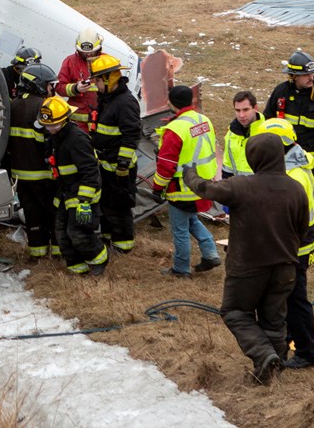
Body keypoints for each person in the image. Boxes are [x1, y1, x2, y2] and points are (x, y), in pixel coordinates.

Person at [183, 132, 308, 385]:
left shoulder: (242, 186)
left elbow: (207, 189)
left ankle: (264, 356)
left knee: (235, 312)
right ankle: (273, 367)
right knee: (274, 319)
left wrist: (189, 174)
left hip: (248, 266)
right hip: (285, 266)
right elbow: (302, 228)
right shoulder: (296, 189)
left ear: (253, 158)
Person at [250, 118, 314, 370]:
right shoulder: (291, 166)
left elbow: (288, 220)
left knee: (295, 300)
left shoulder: (293, 175)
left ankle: (306, 352)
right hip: (293, 245)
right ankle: (288, 340)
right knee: (284, 298)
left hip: (295, 248)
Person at [264, 50, 314, 225]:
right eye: (305, 74)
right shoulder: (280, 93)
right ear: (293, 76)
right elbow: (268, 119)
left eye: (312, 73)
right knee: (283, 194)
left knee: (311, 195)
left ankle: (312, 229)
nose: (310, 77)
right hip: (284, 159)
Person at [152, 85, 221, 278]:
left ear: (170, 102)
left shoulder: (175, 129)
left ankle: (180, 269)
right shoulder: (203, 120)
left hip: (182, 188)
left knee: (180, 229)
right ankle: (210, 253)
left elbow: (166, 166)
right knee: (191, 220)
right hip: (204, 184)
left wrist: (157, 189)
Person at [39, 96, 107, 277]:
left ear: (65, 119)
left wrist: (85, 201)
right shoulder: (55, 137)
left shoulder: (76, 139)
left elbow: (91, 171)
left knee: (78, 232)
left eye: (54, 125)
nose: (50, 129)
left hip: (83, 194)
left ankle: (99, 261)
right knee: (62, 232)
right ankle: (77, 268)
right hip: (67, 193)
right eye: (47, 126)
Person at [86, 53, 141, 254]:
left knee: (120, 208)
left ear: (110, 78)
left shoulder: (125, 102)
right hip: (105, 164)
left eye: (98, 80)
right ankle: (109, 240)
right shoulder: (106, 98)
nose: (96, 84)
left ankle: (123, 246)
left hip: (119, 168)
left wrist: (123, 165)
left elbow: (132, 135)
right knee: (106, 206)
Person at [4, 63, 59, 259]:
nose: (52, 90)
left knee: (31, 214)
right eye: (50, 85)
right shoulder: (43, 106)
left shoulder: (12, 105)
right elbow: (47, 141)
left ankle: (37, 253)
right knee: (53, 213)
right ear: (39, 84)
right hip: (42, 173)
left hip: (20, 174)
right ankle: (59, 252)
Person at [56, 27, 101, 132]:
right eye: (84, 52)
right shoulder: (70, 62)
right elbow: (59, 87)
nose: (88, 54)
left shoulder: (105, 61)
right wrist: (76, 88)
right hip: (77, 124)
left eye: (92, 52)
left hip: (100, 120)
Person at [221, 91, 262, 179]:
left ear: (255, 108)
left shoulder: (267, 132)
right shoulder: (231, 133)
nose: (241, 115)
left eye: (246, 110)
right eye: (237, 110)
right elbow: (227, 167)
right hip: (237, 189)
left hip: (261, 189)